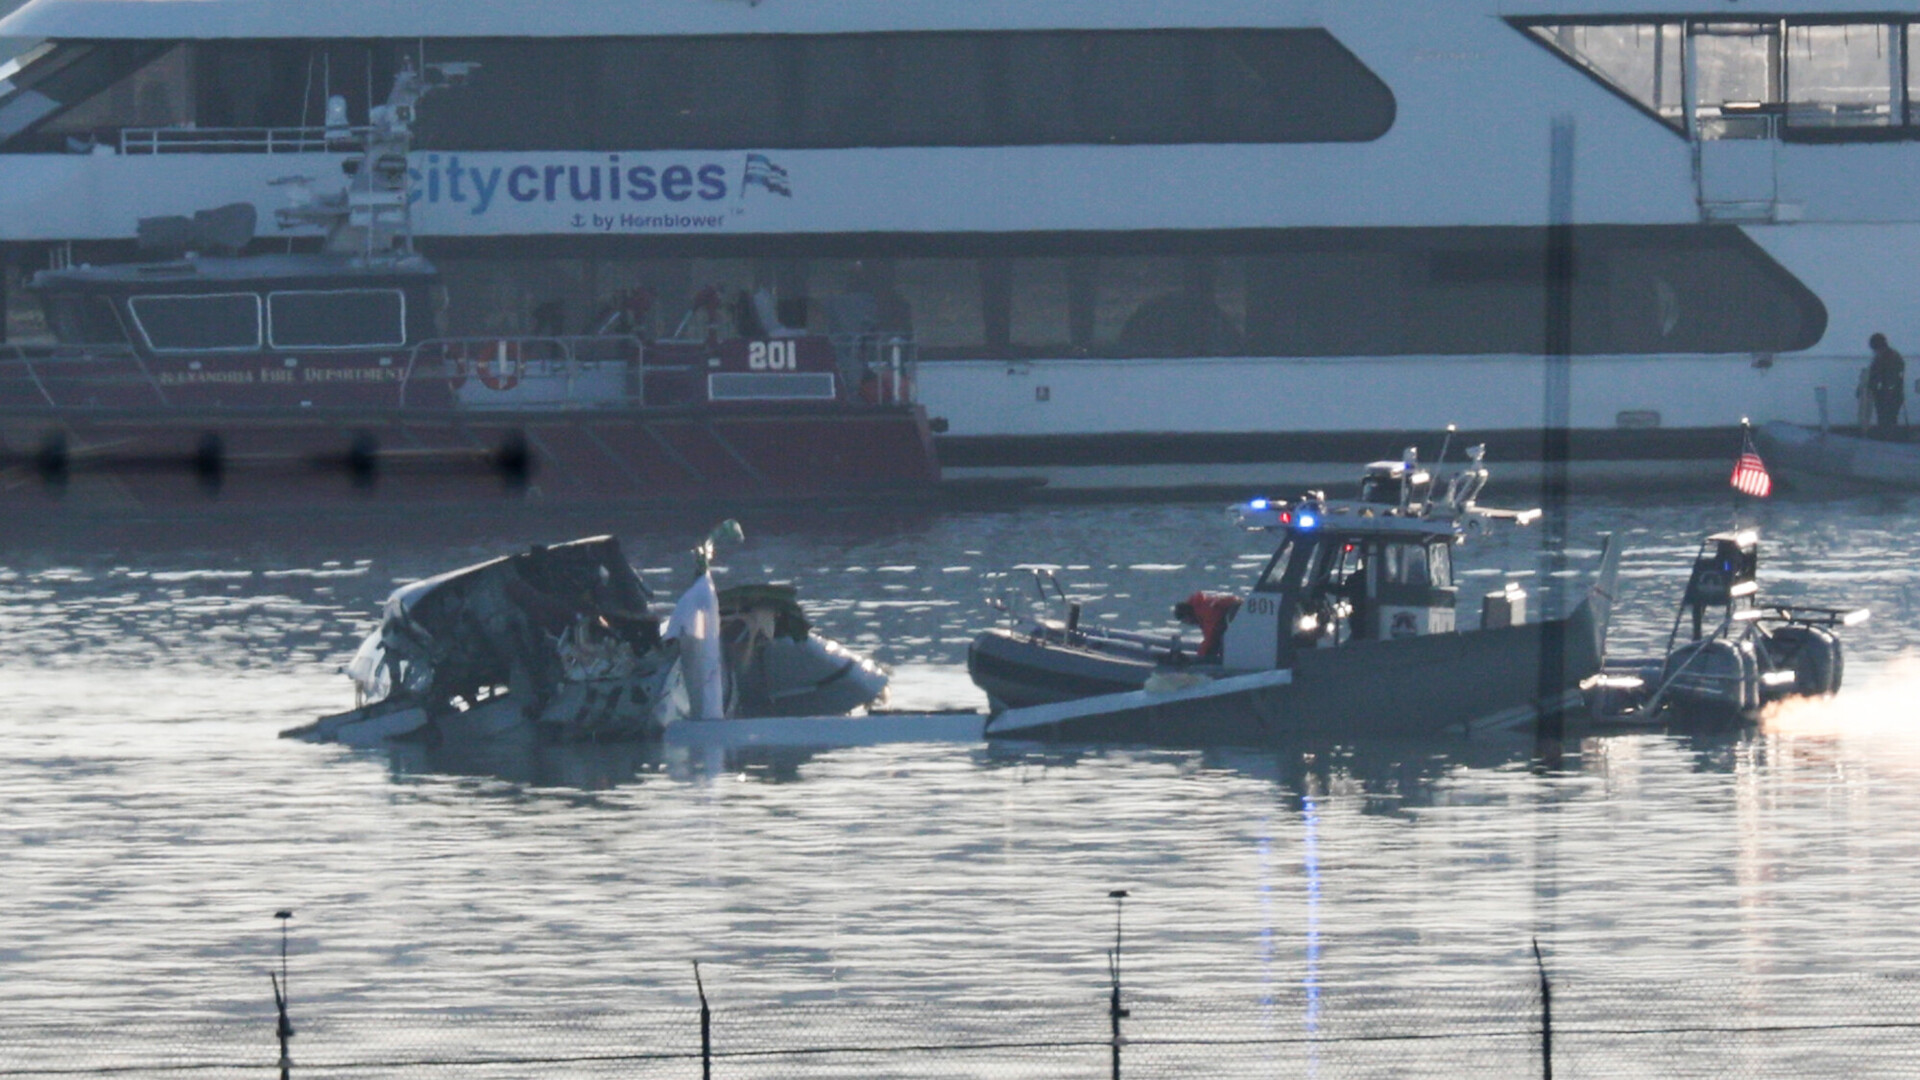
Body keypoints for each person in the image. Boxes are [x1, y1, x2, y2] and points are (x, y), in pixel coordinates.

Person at [1865, 332, 1905, 433]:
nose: (1874, 351)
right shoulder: (1883, 357)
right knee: (1884, 420)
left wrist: (1881, 388)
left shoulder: (1891, 358)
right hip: (1885, 394)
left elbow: (1890, 377)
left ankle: (1889, 438)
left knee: (1888, 420)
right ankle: (1887, 437)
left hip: (1890, 395)